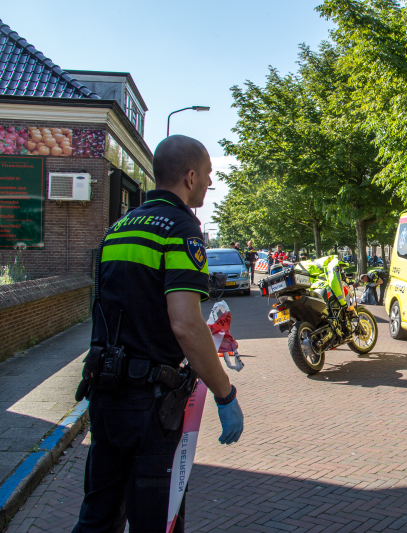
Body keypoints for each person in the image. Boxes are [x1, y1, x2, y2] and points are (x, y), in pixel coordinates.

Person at [72, 136, 244, 533]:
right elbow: (185, 323)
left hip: (105, 392)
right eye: (207, 175)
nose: (209, 182)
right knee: (156, 520)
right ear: (190, 176)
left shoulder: (118, 229)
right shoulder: (181, 229)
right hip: (149, 406)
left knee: (98, 516)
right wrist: (225, 393)